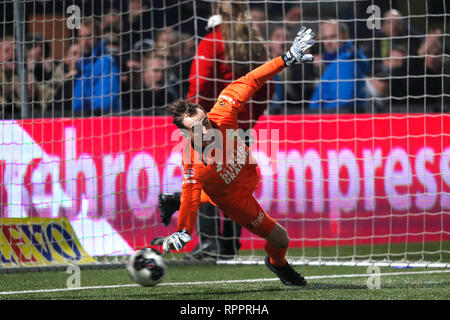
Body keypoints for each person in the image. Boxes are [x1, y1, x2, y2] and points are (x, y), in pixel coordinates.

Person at [151, 26, 315, 287]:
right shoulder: (193, 164)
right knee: (281, 239)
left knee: (214, 185)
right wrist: (182, 232)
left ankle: (173, 200)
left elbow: (251, 80)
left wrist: (286, 58)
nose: (206, 128)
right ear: (185, 135)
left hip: (240, 173)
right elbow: (192, 199)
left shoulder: (223, 113)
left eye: (204, 121)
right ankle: (278, 265)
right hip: (236, 200)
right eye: (197, 129)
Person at [159, 1, 273, 260]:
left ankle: (209, 242)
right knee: (237, 184)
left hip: (213, 125)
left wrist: (196, 120)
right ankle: (230, 244)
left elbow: (198, 83)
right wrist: (251, 118)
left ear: (217, 12)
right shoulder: (255, 43)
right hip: (241, 127)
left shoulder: (212, 41)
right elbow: (266, 85)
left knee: (208, 180)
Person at [309, 20, 370, 112]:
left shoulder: (345, 62)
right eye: (325, 38)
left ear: (345, 36)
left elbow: (344, 102)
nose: (328, 42)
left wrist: (320, 113)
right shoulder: (338, 59)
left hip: (330, 120)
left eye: (333, 36)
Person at [73, 17, 121, 116]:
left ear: (98, 37)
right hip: (81, 120)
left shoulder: (106, 62)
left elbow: (105, 104)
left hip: (102, 122)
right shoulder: (81, 63)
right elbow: (77, 103)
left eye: (89, 37)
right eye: (81, 36)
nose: (84, 42)